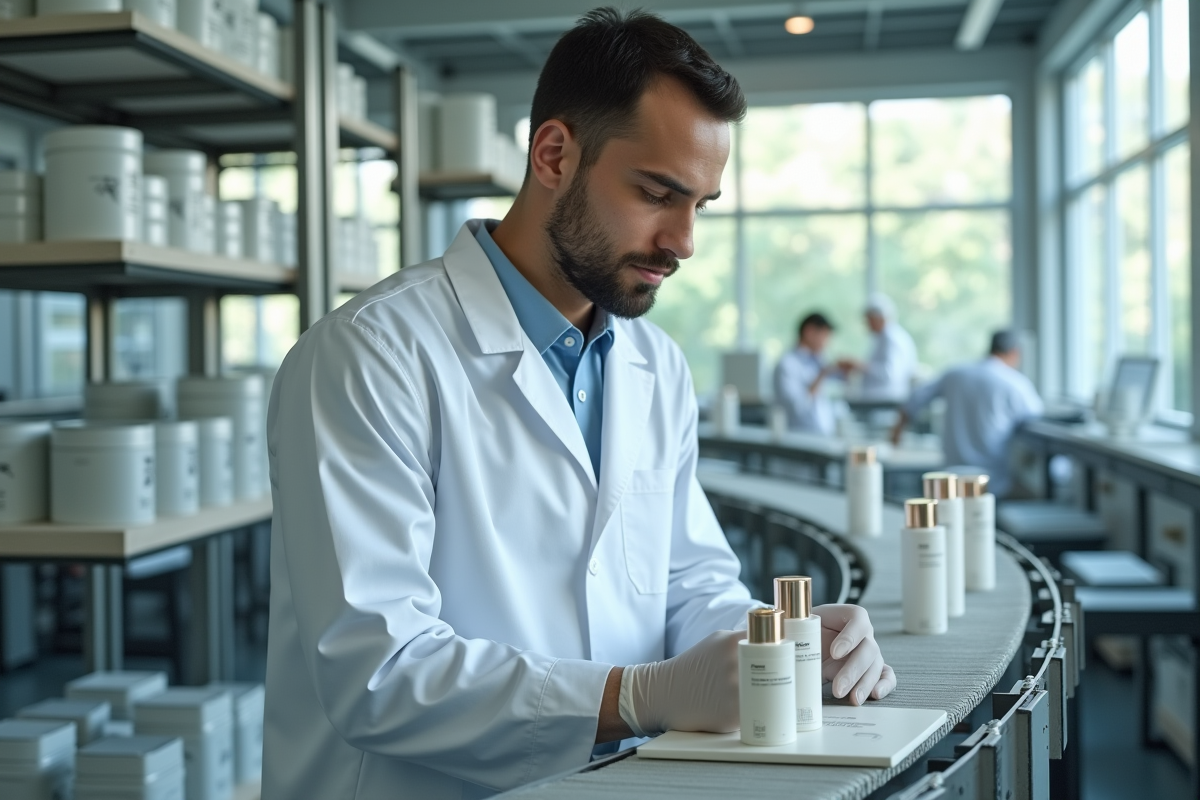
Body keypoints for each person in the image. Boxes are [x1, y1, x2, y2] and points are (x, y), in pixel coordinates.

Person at [262, 10, 896, 800]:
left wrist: (775, 645)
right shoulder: (370, 355)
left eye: (702, 204)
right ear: (555, 154)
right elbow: (377, 672)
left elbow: (690, 583)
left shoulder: (653, 364)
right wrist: (637, 696)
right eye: (658, 193)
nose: (684, 240)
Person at [890, 329, 1043, 496]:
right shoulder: (1015, 383)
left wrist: (897, 433)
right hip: (992, 480)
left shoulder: (955, 373)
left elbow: (915, 399)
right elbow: (1037, 420)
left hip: (951, 477)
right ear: (1014, 353)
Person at [774, 312, 855, 435]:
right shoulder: (787, 364)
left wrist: (846, 371)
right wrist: (821, 375)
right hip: (800, 437)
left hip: (824, 435)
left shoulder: (819, 360)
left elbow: (841, 388)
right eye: (825, 336)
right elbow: (796, 407)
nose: (827, 342)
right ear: (809, 332)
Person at [855, 293, 918, 400]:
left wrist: (861, 366)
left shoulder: (892, 339)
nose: (867, 325)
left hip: (887, 401)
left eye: (869, 320)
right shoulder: (881, 339)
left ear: (880, 318)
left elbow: (889, 374)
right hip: (879, 400)